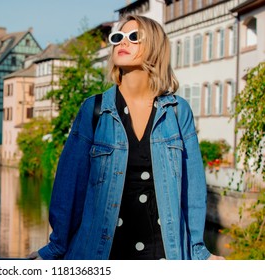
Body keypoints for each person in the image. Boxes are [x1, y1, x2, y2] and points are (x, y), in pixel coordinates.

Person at [28, 14, 224, 260]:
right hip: (101, 256)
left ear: (154, 48)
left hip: (163, 256)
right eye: (118, 37)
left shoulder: (177, 111)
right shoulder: (94, 110)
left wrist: (199, 252)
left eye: (133, 37)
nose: (123, 43)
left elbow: (192, 190)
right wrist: (54, 249)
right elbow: (69, 186)